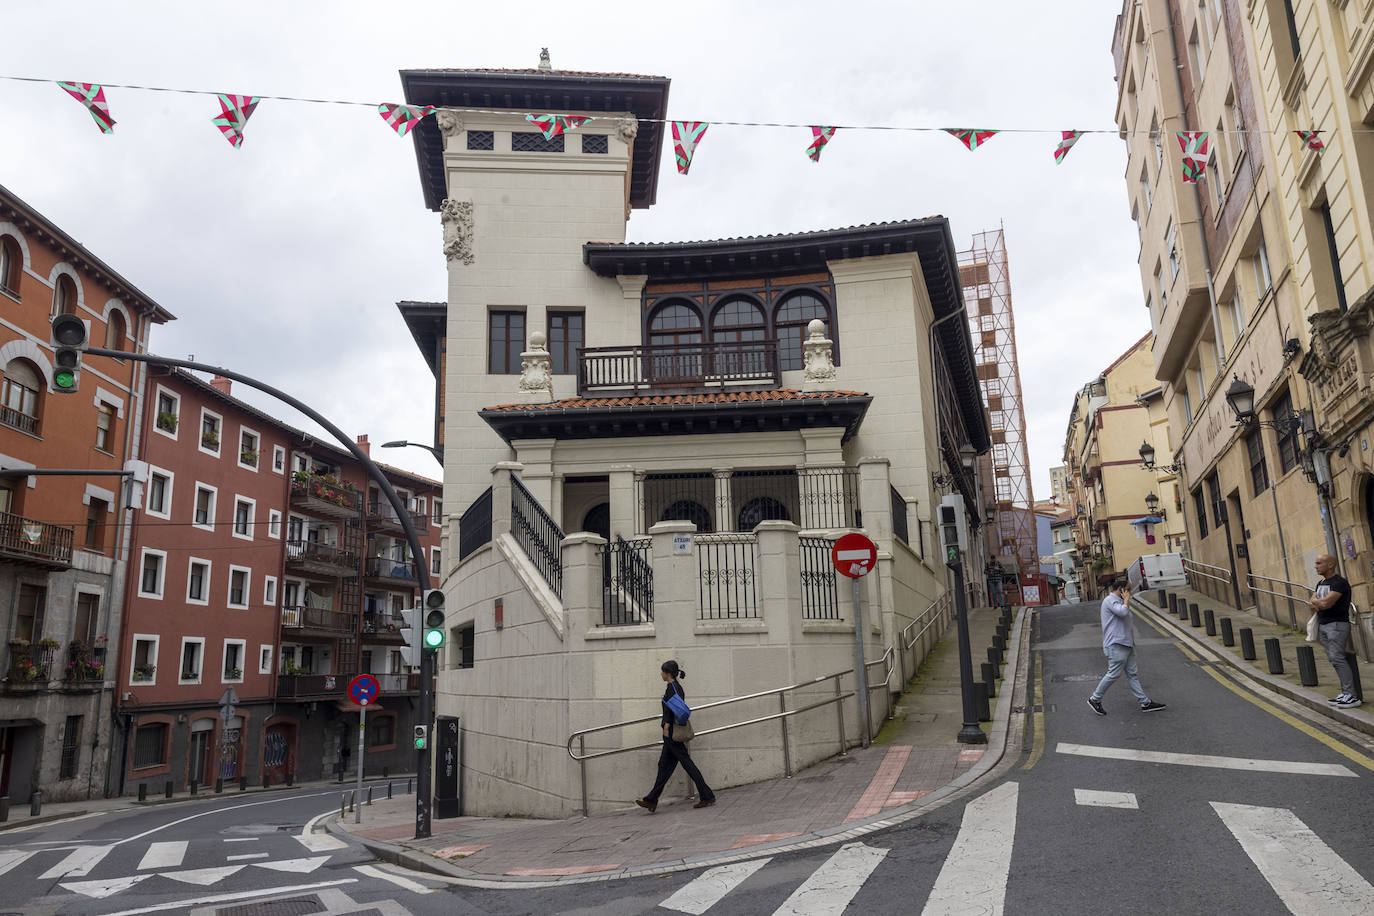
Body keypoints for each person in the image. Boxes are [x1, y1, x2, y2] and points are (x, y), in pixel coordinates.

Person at [635, 660, 716, 812]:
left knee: (687, 764)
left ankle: (707, 795)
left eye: (662, 672)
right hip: (672, 733)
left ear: (668, 674)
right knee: (664, 766)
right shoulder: (677, 687)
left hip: (671, 733)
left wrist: (666, 725)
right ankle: (652, 799)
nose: (661, 674)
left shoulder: (671, 688)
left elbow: (671, 710)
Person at [1087, 578, 1166, 715]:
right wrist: (1126, 599)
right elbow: (1123, 612)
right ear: (1121, 590)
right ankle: (1095, 698)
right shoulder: (1110, 600)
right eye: (1127, 589)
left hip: (1126, 644)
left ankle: (1145, 702)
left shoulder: (1119, 602)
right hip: (1116, 645)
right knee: (1113, 674)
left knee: (1132, 674)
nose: (1129, 592)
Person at [1309, 554, 1361, 708]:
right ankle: (1345, 693)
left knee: (1337, 657)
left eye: (1319, 563)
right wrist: (1318, 602)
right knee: (1333, 659)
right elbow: (1312, 602)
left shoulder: (1339, 583)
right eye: (1315, 563)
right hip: (1324, 624)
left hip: (1337, 625)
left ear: (1330, 565)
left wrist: (1318, 602)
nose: (1315, 566)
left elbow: (1325, 603)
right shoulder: (1321, 583)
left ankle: (1351, 695)